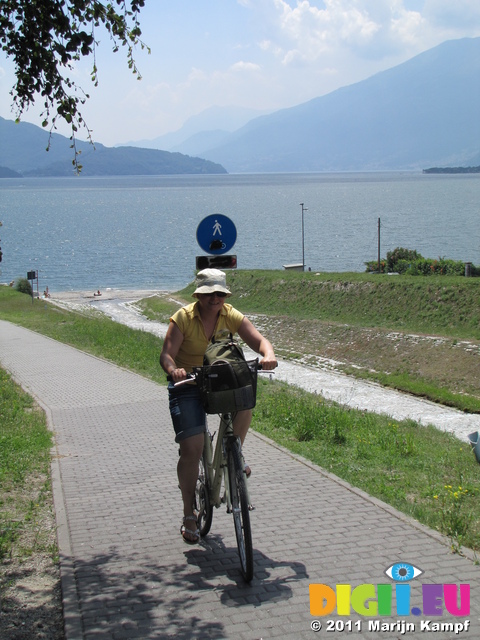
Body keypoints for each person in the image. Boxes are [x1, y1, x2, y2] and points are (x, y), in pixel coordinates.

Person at [160, 268, 277, 544]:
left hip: (219, 381)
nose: (215, 298)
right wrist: (174, 370)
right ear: (199, 295)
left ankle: (235, 454)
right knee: (192, 448)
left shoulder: (230, 314)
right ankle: (189, 512)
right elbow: (166, 354)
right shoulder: (183, 318)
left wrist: (268, 354)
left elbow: (259, 340)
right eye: (209, 293)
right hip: (188, 383)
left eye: (220, 293)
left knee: (245, 400)